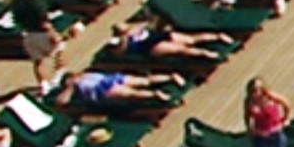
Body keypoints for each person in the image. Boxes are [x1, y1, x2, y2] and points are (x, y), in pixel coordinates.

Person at [50, 69, 187, 109]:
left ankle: (164, 84)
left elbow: (60, 102)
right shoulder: (74, 86)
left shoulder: (81, 78)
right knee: (137, 88)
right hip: (104, 85)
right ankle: (161, 86)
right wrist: (70, 86)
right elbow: (60, 102)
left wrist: (71, 84)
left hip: (105, 84)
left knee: (139, 87)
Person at [110, 21, 238, 62]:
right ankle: (207, 53)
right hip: (151, 46)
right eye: (121, 28)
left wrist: (136, 27)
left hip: (160, 35)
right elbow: (119, 53)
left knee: (191, 39)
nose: (124, 28)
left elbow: (149, 22)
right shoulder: (123, 42)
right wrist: (124, 38)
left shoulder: (136, 27)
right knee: (181, 49)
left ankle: (218, 36)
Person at [245, 79, 294, 147]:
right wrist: (249, 129)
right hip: (260, 134)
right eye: (253, 90)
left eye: (259, 89)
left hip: (275, 132)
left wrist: (286, 118)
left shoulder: (270, 97)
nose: (257, 92)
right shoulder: (249, 102)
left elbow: (286, 104)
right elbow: (247, 116)